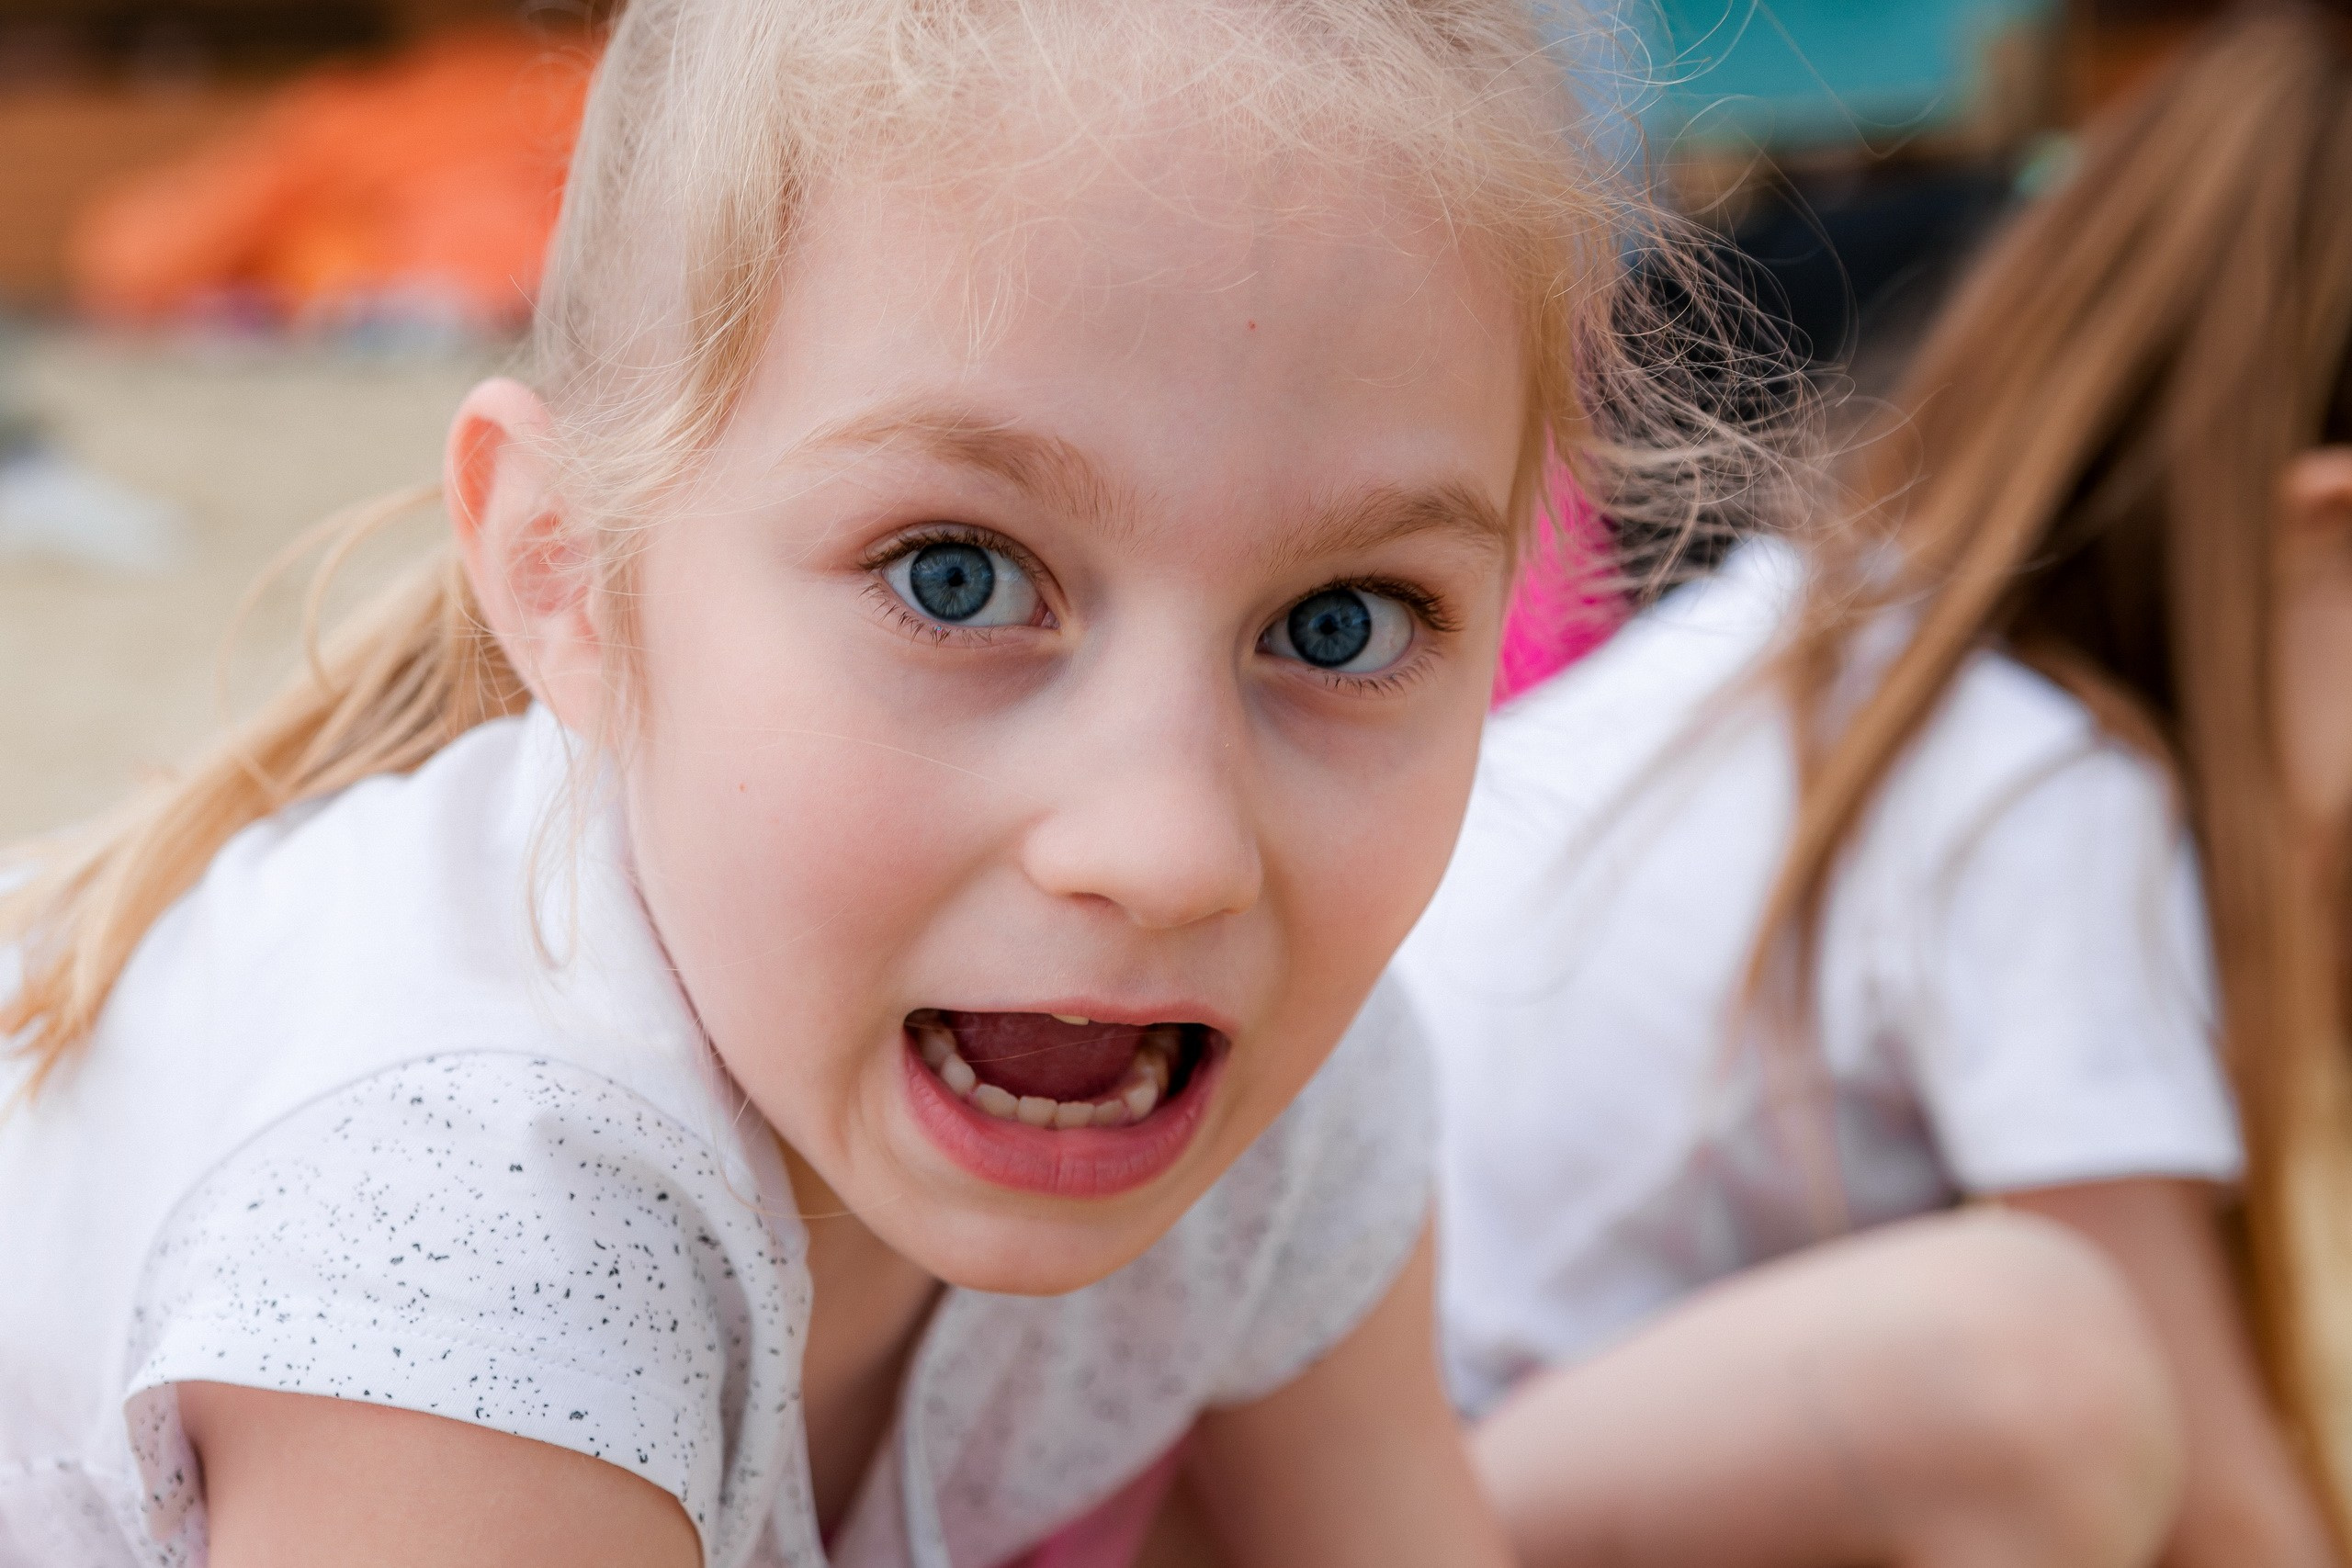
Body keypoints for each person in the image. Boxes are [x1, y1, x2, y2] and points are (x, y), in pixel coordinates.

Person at [0, 2, 1756, 1564]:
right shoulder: (467, 1246)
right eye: (957, 578)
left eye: (1343, 620)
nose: (1169, 849)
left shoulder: (1294, 1098)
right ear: (568, 580)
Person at [1399, 6, 2352, 1566]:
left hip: (1363, 1420)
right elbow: (2221, 1510)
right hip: (1358, 1485)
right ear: (2321, 528)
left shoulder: (1845, 642)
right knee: (2034, 1367)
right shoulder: (2040, 783)